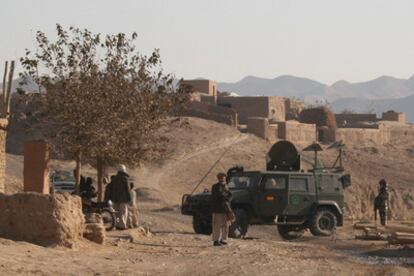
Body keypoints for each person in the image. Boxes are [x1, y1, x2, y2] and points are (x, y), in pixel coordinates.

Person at [211, 172, 233, 246]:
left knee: (226, 225)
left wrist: (227, 196)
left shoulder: (226, 186)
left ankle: (223, 239)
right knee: (217, 225)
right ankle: (216, 240)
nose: (223, 178)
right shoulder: (215, 186)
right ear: (219, 178)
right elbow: (220, 195)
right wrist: (227, 196)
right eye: (221, 177)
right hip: (218, 209)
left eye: (224, 177)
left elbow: (230, 195)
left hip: (226, 209)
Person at [107, 165, 131, 230]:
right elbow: (128, 189)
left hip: (115, 199)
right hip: (123, 199)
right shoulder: (125, 178)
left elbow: (111, 188)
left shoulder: (115, 178)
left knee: (116, 213)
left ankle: (117, 224)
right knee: (123, 212)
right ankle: (122, 225)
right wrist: (129, 198)